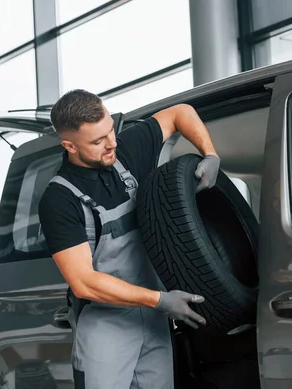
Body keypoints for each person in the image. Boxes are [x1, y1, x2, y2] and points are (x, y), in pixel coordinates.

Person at [38, 89, 221, 389]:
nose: (111, 144)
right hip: (105, 327)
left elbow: (180, 112)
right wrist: (160, 299)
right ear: (69, 145)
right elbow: (83, 281)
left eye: (110, 130)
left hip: (154, 319)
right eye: (97, 142)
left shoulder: (125, 150)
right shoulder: (59, 200)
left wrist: (210, 153)